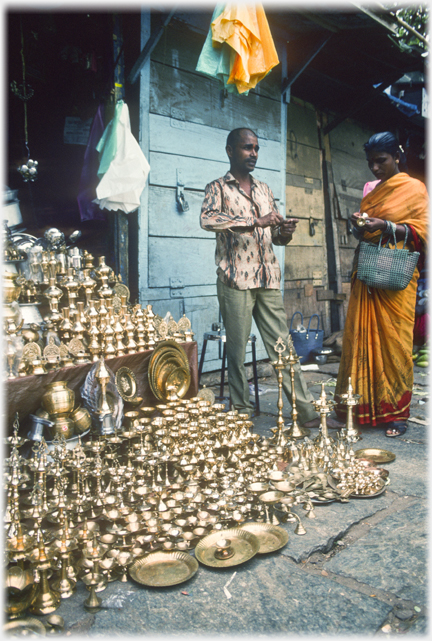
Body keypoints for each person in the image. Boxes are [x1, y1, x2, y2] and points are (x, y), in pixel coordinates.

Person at [200, 127, 342, 429]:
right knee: (237, 352)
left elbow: (276, 239)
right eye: (246, 148)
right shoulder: (217, 188)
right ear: (230, 150)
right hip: (235, 280)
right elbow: (209, 220)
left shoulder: (264, 189)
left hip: (267, 280)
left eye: (256, 148)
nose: (253, 154)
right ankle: (242, 411)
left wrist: (284, 232)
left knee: (282, 346)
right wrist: (256, 221)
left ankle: (305, 412)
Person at [335, 132, 428, 437]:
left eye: (381, 161)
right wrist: (358, 226)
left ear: (397, 157)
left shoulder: (414, 189)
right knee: (359, 340)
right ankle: (359, 408)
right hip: (369, 275)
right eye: (370, 162)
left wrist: (386, 226)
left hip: (396, 278)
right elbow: (366, 234)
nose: (374, 168)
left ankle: (396, 414)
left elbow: (422, 234)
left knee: (396, 345)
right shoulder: (372, 191)